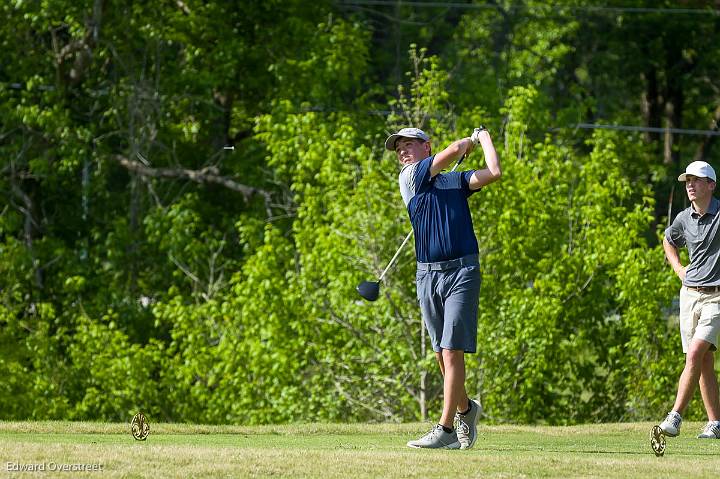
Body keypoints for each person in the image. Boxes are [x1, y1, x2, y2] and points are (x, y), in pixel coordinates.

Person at [384, 126, 501, 449]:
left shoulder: (454, 181)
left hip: (463, 270)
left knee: (452, 351)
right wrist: (466, 143)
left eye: (409, 145)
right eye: (399, 149)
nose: (403, 152)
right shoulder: (409, 177)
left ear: (426, 147)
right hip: (427, 275)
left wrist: (485, 137)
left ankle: (446, 429)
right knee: (441, 354)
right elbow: (452, 149)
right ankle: (466, 408)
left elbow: (493, 172)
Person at [660, 160, 720, 439]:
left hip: (716, 298)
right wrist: (678, 268)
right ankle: (715, 422)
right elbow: (668, 240)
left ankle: (675, 416)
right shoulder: (684, 218)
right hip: (689, 295)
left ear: (711, 185)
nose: (690, 186)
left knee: (695, 353)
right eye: (687, 181)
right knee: (703, 361)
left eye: (696, 180)